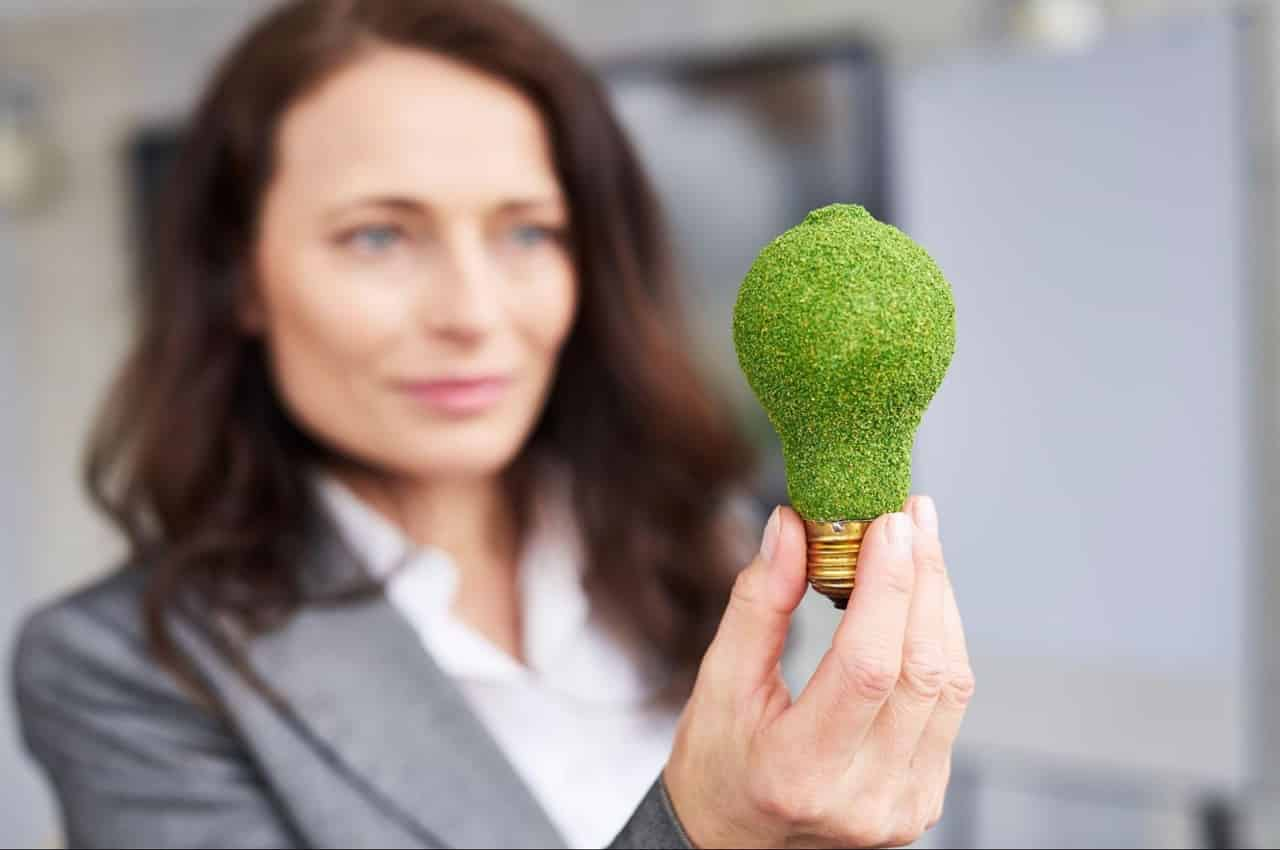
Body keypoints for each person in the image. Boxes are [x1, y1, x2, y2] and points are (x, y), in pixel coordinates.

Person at [12, 1, 974, 847]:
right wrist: (706, 836)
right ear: (242, 278)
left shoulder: (709, 549)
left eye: (527, 231)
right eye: (378, 234)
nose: (473, 313)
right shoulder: (124, 674)